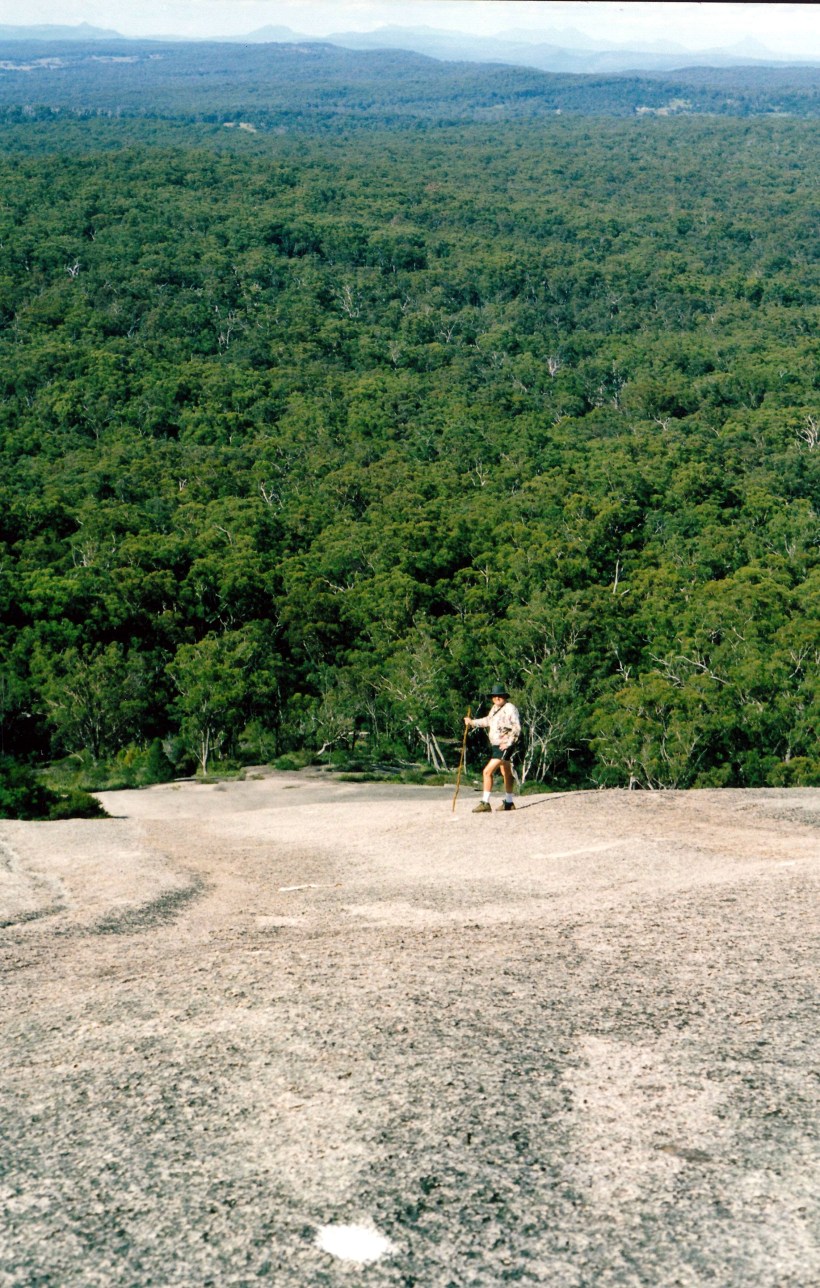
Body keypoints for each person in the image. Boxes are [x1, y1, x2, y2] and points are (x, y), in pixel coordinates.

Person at [464, 683, 521, 812]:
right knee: (505, 772)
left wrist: (508, 743)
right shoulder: (495, 708)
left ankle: (485, 803)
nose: (497, 698)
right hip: (496, 745)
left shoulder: (510, 708)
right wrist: (472, 722)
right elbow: (487, 721)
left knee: (487, 771)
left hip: (504, 745)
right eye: (494, 696)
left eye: (499, 696)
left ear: (504, 696)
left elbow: (517, 728)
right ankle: (509, 802)